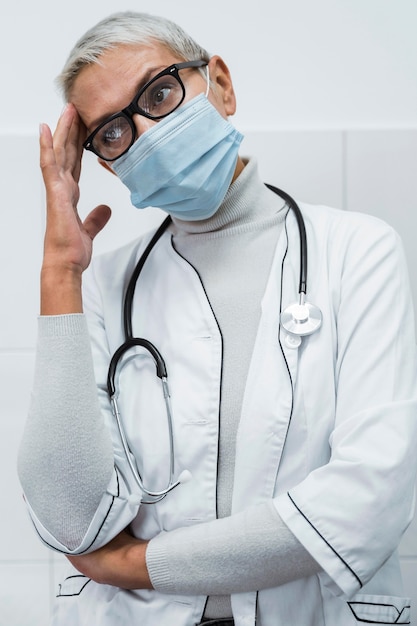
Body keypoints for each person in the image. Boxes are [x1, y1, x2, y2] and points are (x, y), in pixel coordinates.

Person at [17, 10, 417, 626]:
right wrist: (59, 273)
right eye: (114, 132)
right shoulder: (101, 285)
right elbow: (71, 519)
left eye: (158, 93)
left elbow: (367, 500)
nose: (147, 134)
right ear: (106, 163)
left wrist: (134, 563)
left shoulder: (359, 252)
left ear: (221, 85)